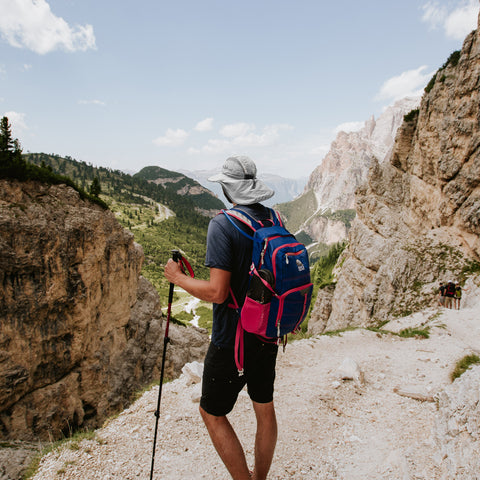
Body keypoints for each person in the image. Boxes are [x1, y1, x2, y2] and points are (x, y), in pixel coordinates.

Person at [164, 156, 278, 480]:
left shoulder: (222, 225)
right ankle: (260, 477)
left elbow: (217, 292)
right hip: (268, 330)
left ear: (229, 190)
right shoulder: (274, 217)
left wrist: (178, 278)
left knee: (211, 412)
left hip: (233, 337)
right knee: (264, 407)